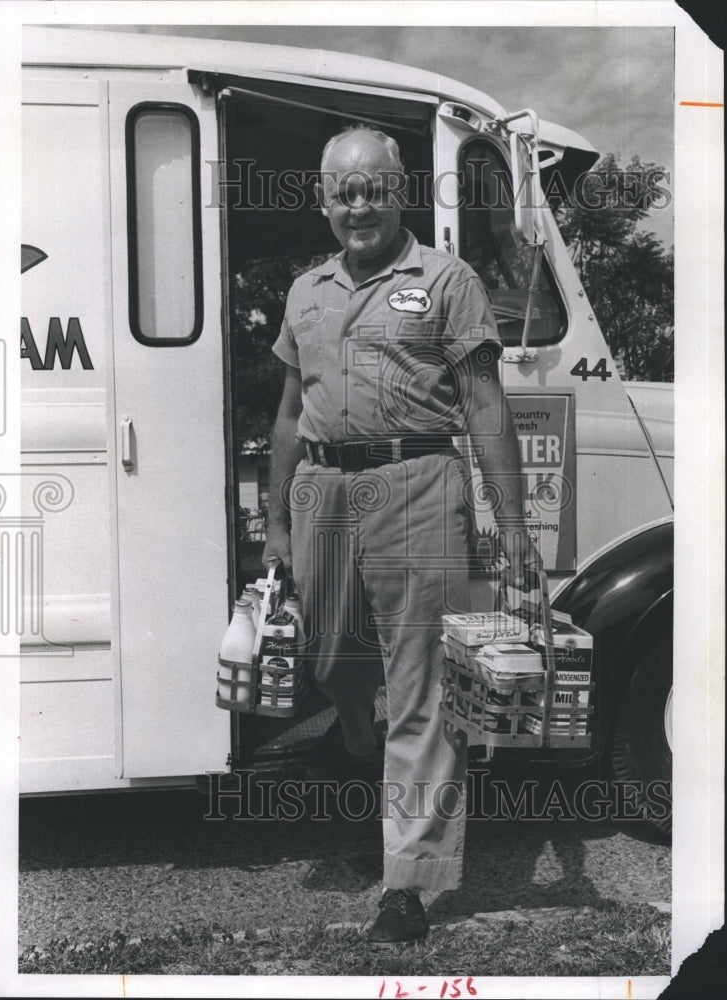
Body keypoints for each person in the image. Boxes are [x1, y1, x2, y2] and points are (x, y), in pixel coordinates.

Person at [262, 125, 539, 947]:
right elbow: (284, 414)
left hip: (417, 484)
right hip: (322, 490)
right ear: (323, 201)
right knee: (331, 660)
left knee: (418, 689)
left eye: (373, 189)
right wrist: (276, 522)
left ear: (399, 193)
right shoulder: (304, 290)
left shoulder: (446, 281)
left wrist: (512, 526)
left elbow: (486, 408)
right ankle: (360, 744)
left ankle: (407, 885)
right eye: (342, 191)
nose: (358, 205)